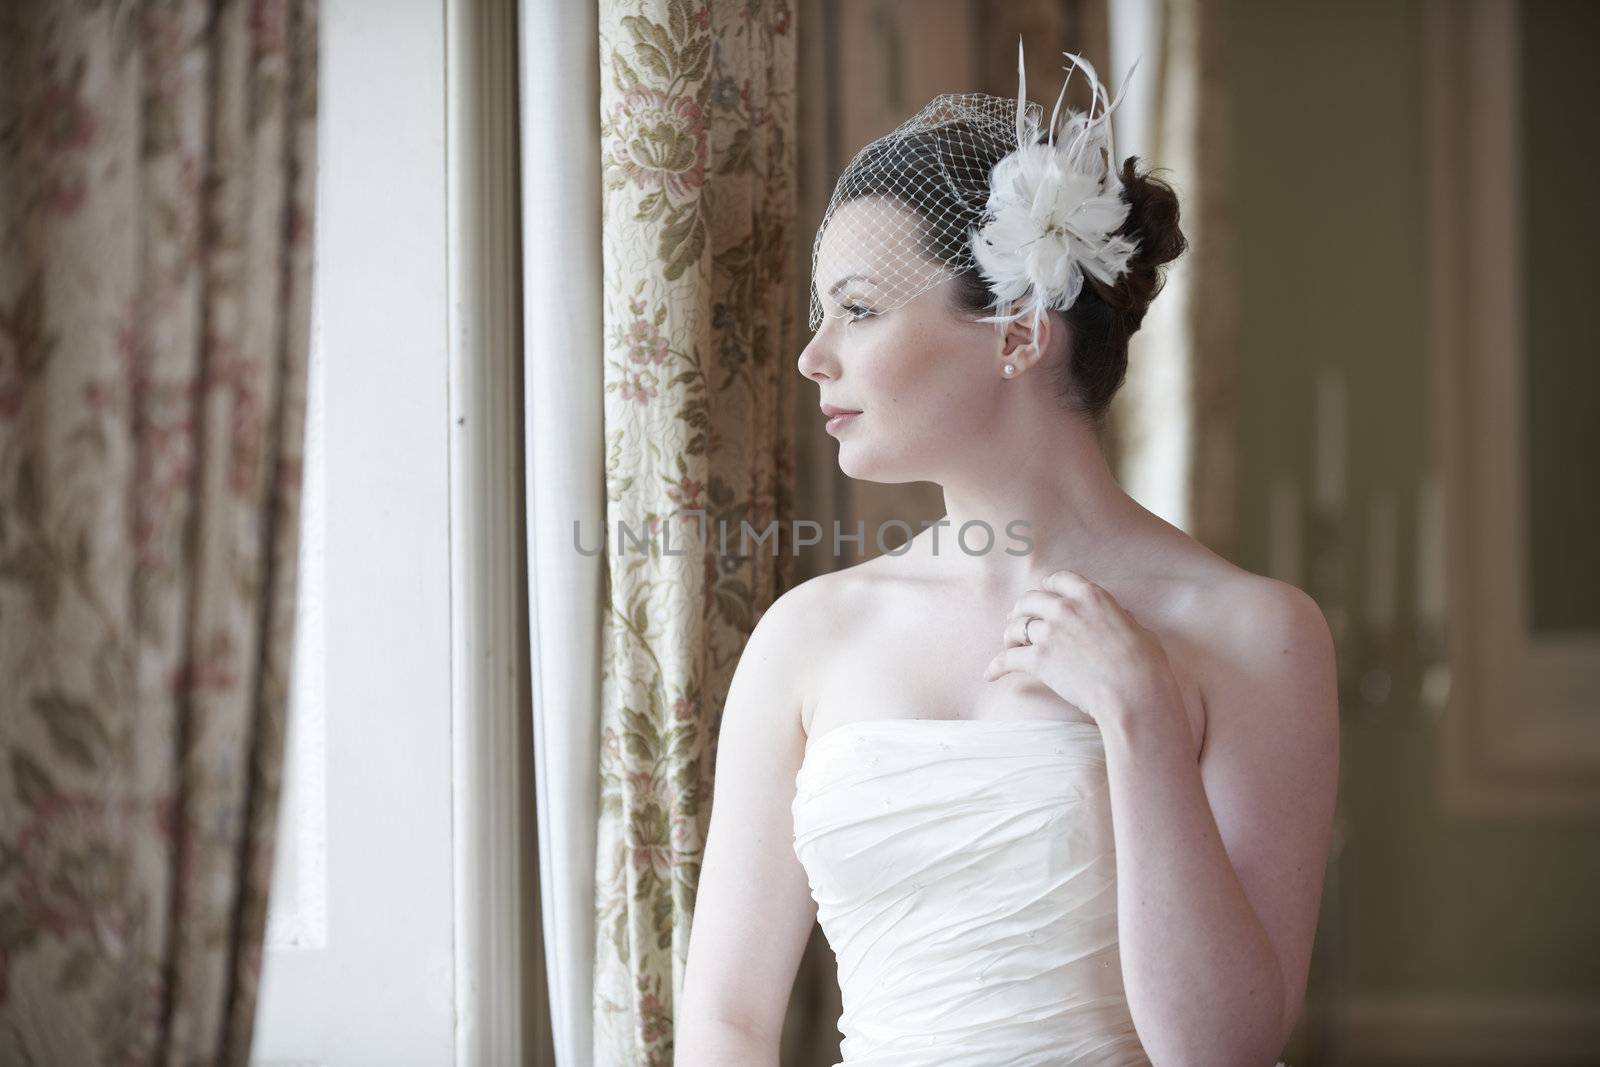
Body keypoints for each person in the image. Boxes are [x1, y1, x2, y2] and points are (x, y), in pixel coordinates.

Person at [676, 40, 1338, 1067]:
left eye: (856, 309)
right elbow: (727, 1019)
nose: (813, 356)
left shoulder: (1255, 630)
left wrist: (1139, 717)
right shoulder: (809, 634)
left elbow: (1222, 1048)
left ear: (1019, 331)